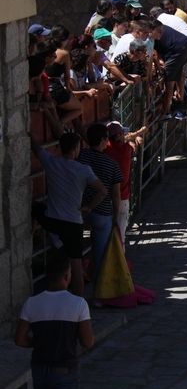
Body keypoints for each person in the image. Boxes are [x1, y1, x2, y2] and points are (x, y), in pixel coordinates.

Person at [14, 255, 94, 389]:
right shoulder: (78, 304)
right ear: (67, 276)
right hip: (65, 370)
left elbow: (20, 339)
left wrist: (37, 342)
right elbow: (88, 341)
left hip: (40, 370)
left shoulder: (32, 303)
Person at [30, 132, 106, 297]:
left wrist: (29, 133)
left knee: (34, 207)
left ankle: (31, 231)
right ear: (75, 148)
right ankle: (78, 304)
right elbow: (102, 191)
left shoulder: (51, 161)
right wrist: (89, 207)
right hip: (72, 223)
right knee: (76, 267)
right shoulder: (84, 169)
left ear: (59, 147)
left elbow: (36, 148)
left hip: (52, 220)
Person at [77, 123, 123, 281]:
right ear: (103, 140)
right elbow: (116, 195)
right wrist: (115, 218)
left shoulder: (80, 156)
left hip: (79, 210)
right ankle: (98, 295)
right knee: (100, 255)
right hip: (101, 213)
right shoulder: (112, 165)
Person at [104, 121, 146, 251]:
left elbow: (125, 139)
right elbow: (127, 140)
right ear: (117, 136)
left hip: (105, 200)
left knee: (105, 237)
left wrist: (134, 135)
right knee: (120, 237)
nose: (124, 135)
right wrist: (138, 134)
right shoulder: (126, 150)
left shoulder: (105, 149)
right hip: (122, 199)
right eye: (122, 133)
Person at [149, 20, 187, 120]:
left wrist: (159, 69)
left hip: (178, 49)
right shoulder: (157, 34)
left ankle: (166, 111)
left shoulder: (152, 38)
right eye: (159, 31)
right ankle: (179, 99)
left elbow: (155, 56)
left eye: (161, 31)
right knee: (177, 72)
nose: (161, 33)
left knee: (169, 80)